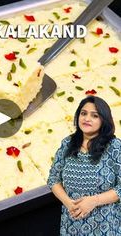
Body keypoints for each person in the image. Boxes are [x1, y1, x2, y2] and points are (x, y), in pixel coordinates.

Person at [47, 95, 121, 235]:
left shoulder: (114, 147)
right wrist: (68, 203)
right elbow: (53, 179)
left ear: (103, 120)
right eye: (83, 113)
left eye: (94, 116)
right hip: (72, 224)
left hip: (105, 226)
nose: (87, 119)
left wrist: (94, 201)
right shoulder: (67, 143)